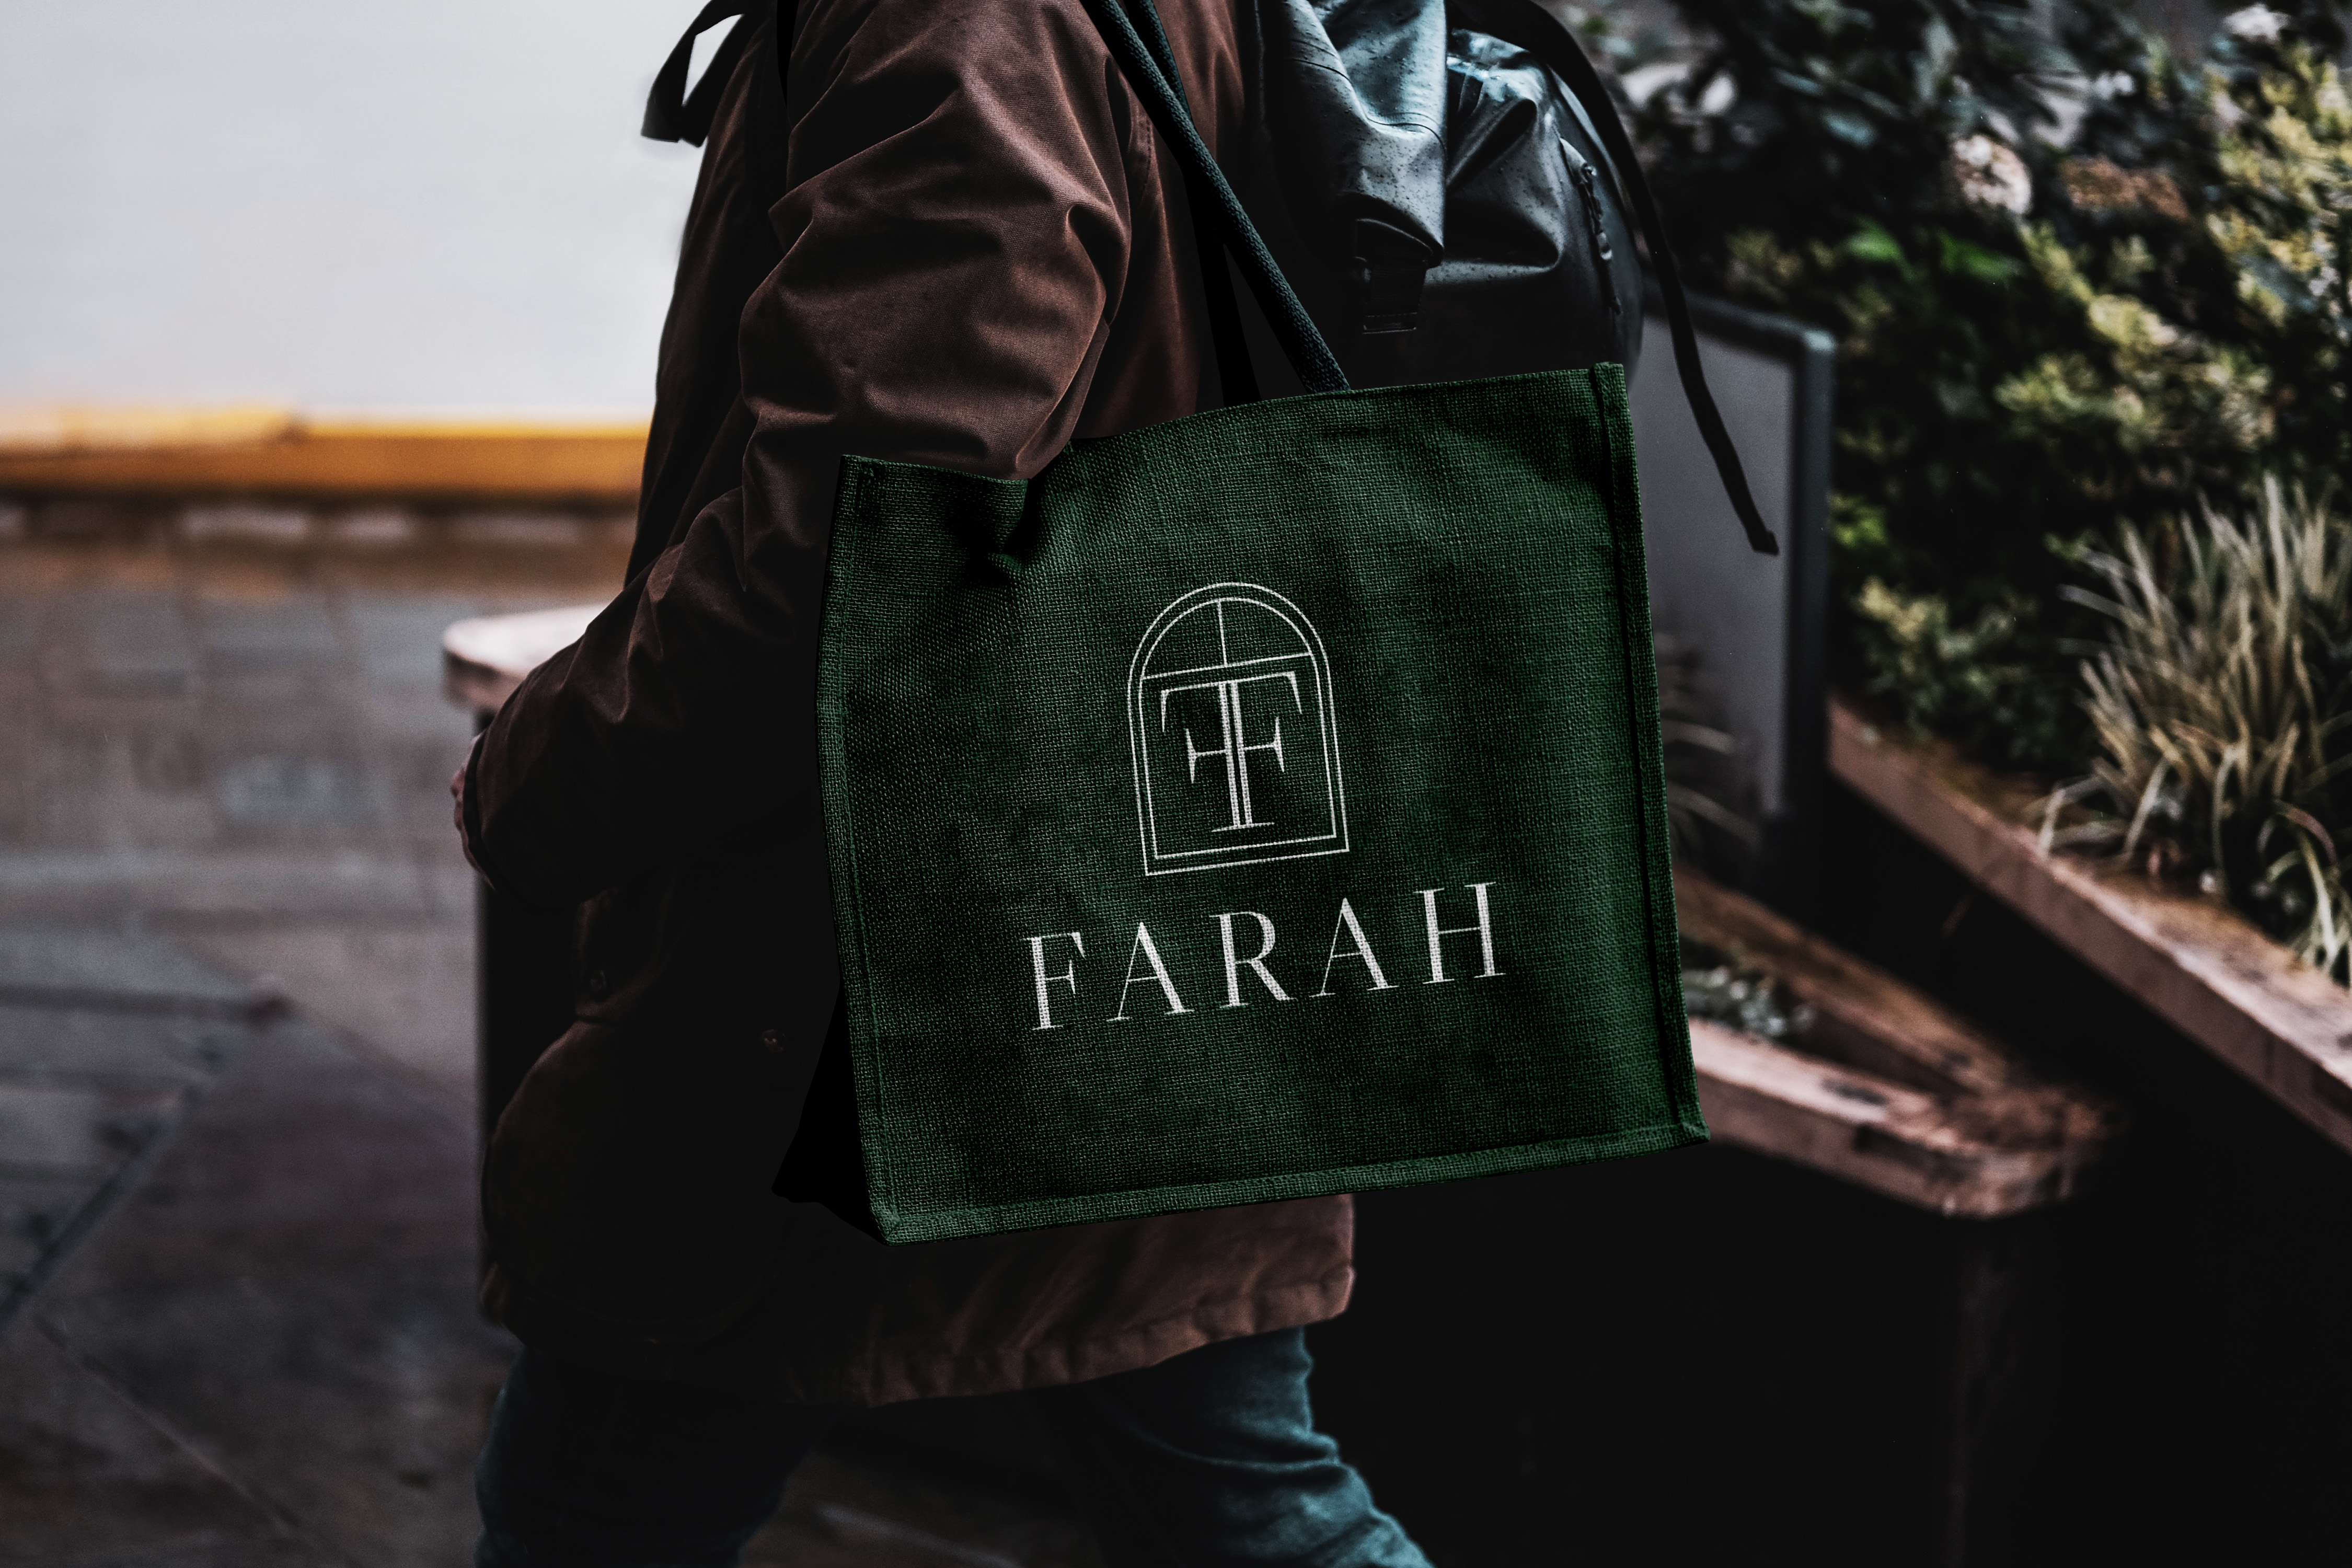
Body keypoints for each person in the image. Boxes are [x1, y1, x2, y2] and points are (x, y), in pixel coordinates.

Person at [449, 1, 1432, 1562]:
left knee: (595, 1505)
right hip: (1137, 886)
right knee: (1238, 1497)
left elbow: (863, 531)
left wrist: (545, 774)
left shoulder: (962, 16)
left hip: (878, 957)